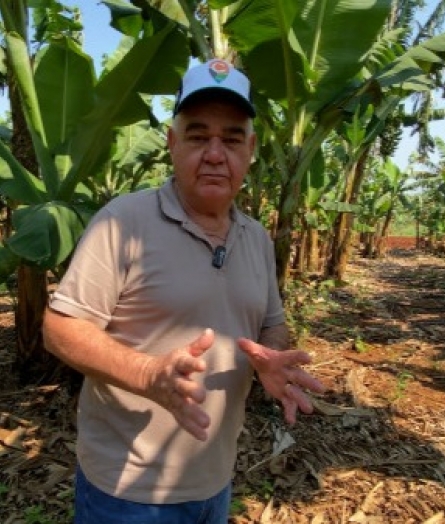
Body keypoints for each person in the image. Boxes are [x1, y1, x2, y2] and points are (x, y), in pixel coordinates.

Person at [42, 58, 326, 524]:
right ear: (173, 144)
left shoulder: (255, 238)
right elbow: (60, 328)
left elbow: (272, 323)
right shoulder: (124, 222)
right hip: (128, 491)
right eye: (198, 136)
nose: (215, 153)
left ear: (250, 150)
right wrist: (148, 374)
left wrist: (271, 357)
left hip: (215, 482)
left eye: (232, 139)